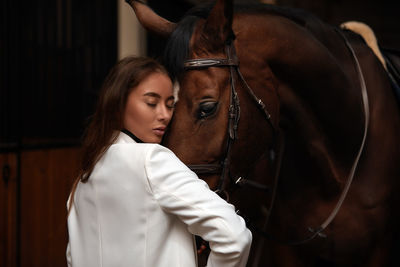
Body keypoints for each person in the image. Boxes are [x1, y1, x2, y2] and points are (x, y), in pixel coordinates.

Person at [66, 56, 252, 267]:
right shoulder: (151, 160)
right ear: (118, 103)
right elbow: (234, 236)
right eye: (151, 103)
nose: (164, 115)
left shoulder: (82, 182)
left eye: (170, 105)